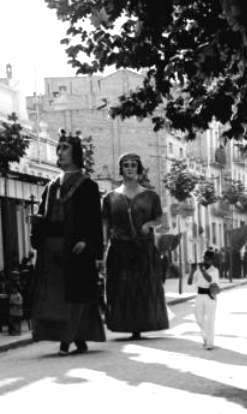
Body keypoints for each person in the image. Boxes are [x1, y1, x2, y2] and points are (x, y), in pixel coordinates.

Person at [30, 129, 106, 355]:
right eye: (58, 148)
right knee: (56, 297)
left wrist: (87, 242)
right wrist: (37, 225)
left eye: (65, 148)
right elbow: (45, 215)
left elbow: (94, 221)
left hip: (75, 249)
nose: (60, 152)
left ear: (76, 153)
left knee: (76, 296)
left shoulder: (87, 186)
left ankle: (70, 339)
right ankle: (71, 337)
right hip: (52, 250)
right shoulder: (51, 185)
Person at [102, 152, 168, 340]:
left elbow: (160, 220)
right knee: (121, 287)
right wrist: (103, 250)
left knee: (142, 286)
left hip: (143, 250)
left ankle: (141, 325)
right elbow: (105, 226)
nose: (129, 168)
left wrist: (149, 225)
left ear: (138, 169)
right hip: (119, 250)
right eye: (126, 165)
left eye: (133, 165)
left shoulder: (150, 196)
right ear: (121, 169)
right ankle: (125, 324)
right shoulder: (110, 198)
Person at [188, 250, 221, 350]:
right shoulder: (198, 271)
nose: (205, 261)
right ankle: (205, 336)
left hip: (210, 296)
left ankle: (210, 343)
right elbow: (190, 282)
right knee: (199, 319)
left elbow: (210, 280)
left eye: (207, 259)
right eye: (204, 258)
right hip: (199, 296)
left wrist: (202, 270)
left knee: (210, 320)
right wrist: (192, 271)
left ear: (211, 260)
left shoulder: (214, 270)